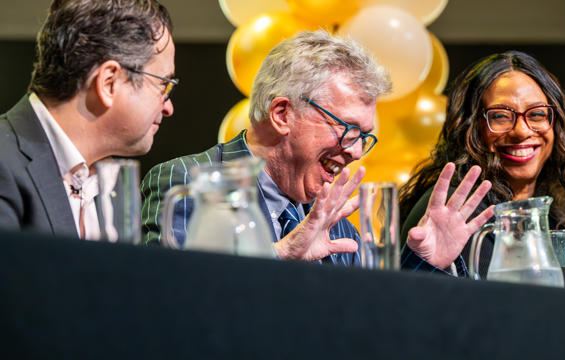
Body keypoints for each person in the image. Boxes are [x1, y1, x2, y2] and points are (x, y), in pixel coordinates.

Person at [141, 30, 494, 265]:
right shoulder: (187, 180)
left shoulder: (336, 223)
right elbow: (174, 302)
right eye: (348, 129)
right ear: (282, 114)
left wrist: (424, 264)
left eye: (365, 136)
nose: (357, 151)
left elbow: (369, 323)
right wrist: (281, 255)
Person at [399, 51, 565, 288]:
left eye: (536, 114)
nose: (521, 131)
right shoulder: (455, 213)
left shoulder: (552, 220)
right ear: (471, 129)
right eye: (500, 117)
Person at [0, 0, 176, 240]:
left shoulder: (114, 183)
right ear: (109, 82)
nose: (169, 107)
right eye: (163, 85)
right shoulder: (4, 164)